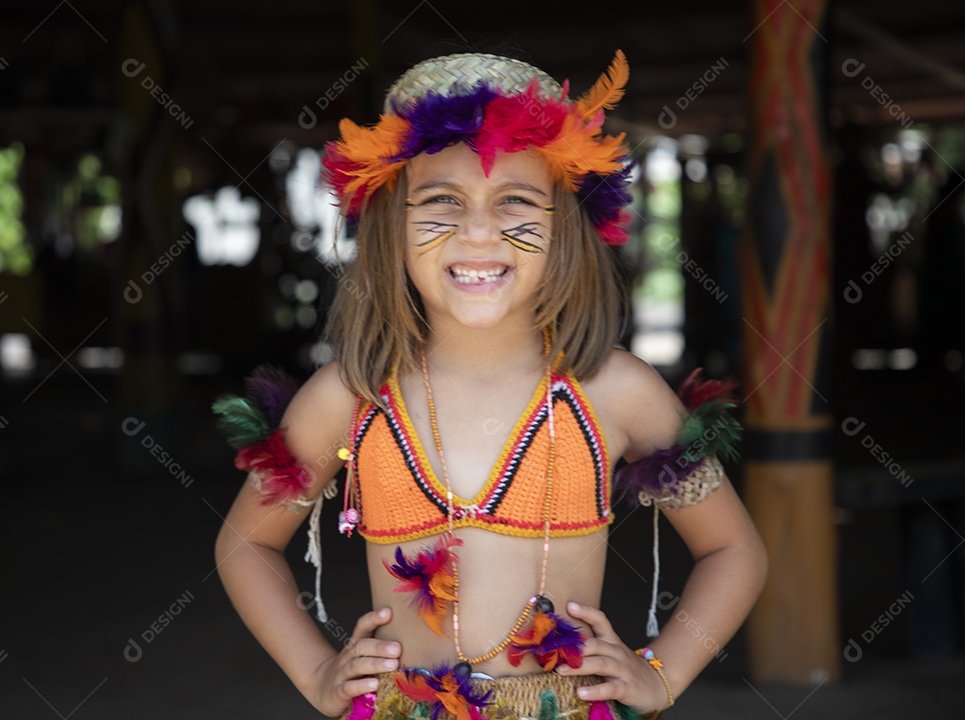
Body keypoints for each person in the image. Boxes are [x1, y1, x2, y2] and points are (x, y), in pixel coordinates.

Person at [214, 50, 768, 720]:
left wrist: (661, 674)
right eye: (443, 201)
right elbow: (246, 543)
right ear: (391, 225)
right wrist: (315, 673)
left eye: (516, 203)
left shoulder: (614, 393)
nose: (479, 231)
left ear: (565, 228)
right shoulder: (352, 396)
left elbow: (733, 548)